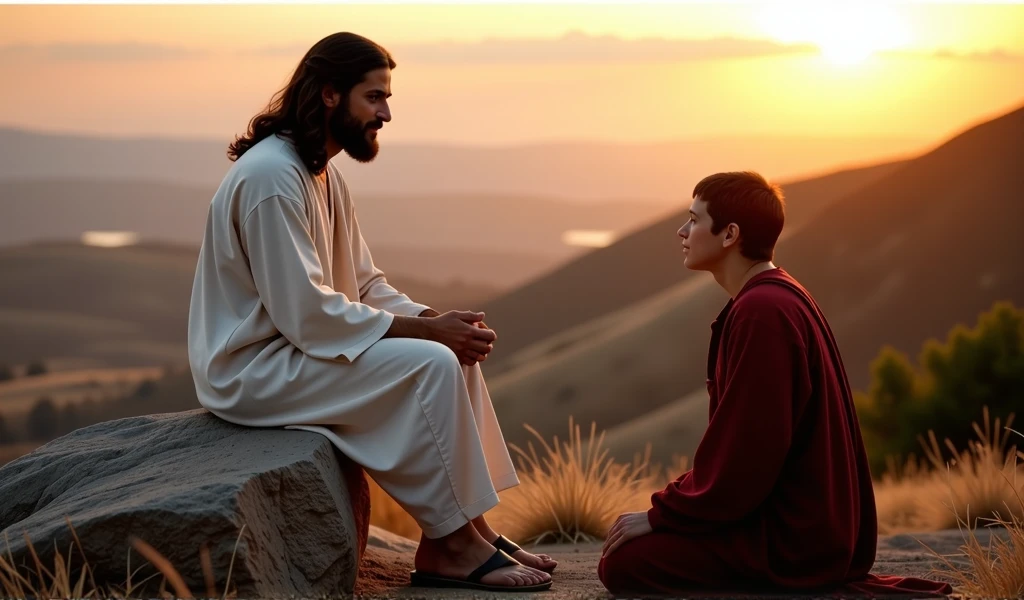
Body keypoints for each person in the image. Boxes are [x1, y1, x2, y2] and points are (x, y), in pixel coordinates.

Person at [187, 32, 555, 592]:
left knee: (450, 354)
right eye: (375, 97)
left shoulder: (320, 171)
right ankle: (453, 549)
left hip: (295, 352)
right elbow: (306, 314)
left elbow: (363, 283)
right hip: (251, 371)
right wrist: (427, 334)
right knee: (430, 362)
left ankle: (467, 530)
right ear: (331, 94)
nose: (386, 112)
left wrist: (436, 320)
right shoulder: (271, 179)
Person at [597, 172, 952, 596]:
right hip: (806, 527)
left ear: (730, 234)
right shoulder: (774, 296)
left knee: (623, 565)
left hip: (793, 540)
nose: (682, 231)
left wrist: (660, 515)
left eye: (694, 220)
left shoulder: (762, 311)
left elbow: (747, 456)